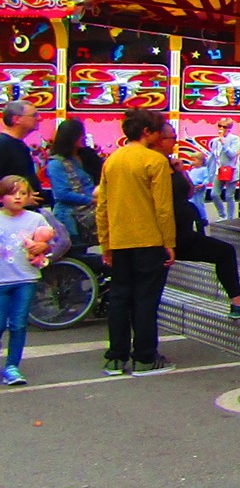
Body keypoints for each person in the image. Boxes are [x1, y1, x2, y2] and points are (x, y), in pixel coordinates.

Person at [155, 122, 240, 319]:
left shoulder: (170, 164)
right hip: (168, 235)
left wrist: (181, 171)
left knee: (224, 252)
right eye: (171, 137)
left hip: (184, 232)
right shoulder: (153, 165)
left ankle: (239, 302)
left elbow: (188, 192)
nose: (174, 142)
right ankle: (238, 302)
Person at [97, 109, 178, 375]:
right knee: (146, 299)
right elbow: (163, 208)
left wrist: (105, 243)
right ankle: (144, 356)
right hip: (149, 239)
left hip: (120, 239)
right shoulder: (154, 161)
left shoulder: (112, 160)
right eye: (156, 130)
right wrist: (169, 241)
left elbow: (103, 206)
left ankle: (116, 356)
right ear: (147, 132)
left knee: (120, 297)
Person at [0, 175, 51, 386]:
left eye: (23, 193)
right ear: (2, 197)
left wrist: (43, 247)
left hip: (26, 278)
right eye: (12, 193)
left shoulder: (35, 219)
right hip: (2, 281)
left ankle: (12, 367)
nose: (18, 198)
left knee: (19, 324)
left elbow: (49, 242)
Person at [42, 118, 96, 248]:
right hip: (70, 219)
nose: (83, 137)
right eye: (80, 134)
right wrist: (91, 200)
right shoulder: (56, 163)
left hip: (88, 216)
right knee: (75, 253)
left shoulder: (85, 156)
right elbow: (62, 193)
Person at [0, 100, 39, 188]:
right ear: (16, 119)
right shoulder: (2, 144)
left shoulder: (20, 145)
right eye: (34, 115)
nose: (39, 118)